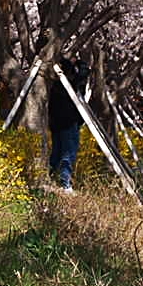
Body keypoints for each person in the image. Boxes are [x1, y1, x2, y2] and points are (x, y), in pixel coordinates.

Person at [47, 57, 90, 192]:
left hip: (56, 124)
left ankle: (52, 177)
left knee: (57, 153)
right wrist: (79, 62)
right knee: (68, 153)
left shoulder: (54, 86)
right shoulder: (69, 85)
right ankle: (65, 183)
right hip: (68, 123)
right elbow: (83, 73)